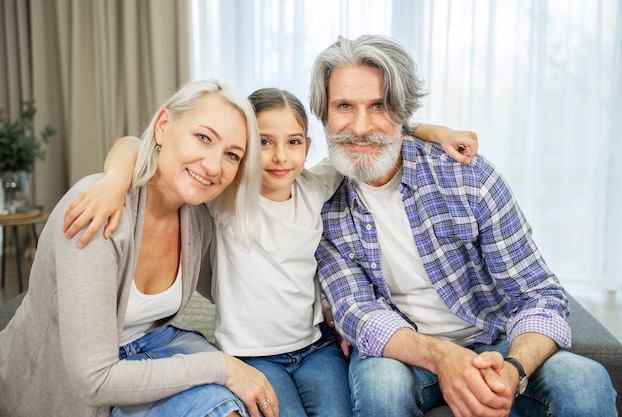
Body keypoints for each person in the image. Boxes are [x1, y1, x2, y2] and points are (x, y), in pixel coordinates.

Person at [61, 87, 478, 416]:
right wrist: (114, 180)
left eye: (293, 142)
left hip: (316, 348)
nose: (280, 157)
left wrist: (434, 132)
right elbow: (137, 145)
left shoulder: (315, 187)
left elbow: (367, 138)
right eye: (264, 143)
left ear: (308, 144)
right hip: (251, 356)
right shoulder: (224, 195)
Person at [309, 34, 617, 417]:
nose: (359, 125)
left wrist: (512, 368)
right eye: (343, 106)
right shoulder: (319, 206)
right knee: (381, 388)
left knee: (583, 382)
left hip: (495, 342)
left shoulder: (467, 178)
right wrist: (443, 358)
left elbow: (538, 294)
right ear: (323, 114)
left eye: (379, 106)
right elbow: (360, 314)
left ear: (402, 114)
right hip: (405, 352)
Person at [0, 79, 280, 417]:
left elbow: (236, 290)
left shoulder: (196, 219)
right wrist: (223, 366)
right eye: (204, 137)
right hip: (73, 381)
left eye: (232, 155)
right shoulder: (99, 212)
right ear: (163, 126)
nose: (213, 166)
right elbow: (94, 380)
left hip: (153, 343)